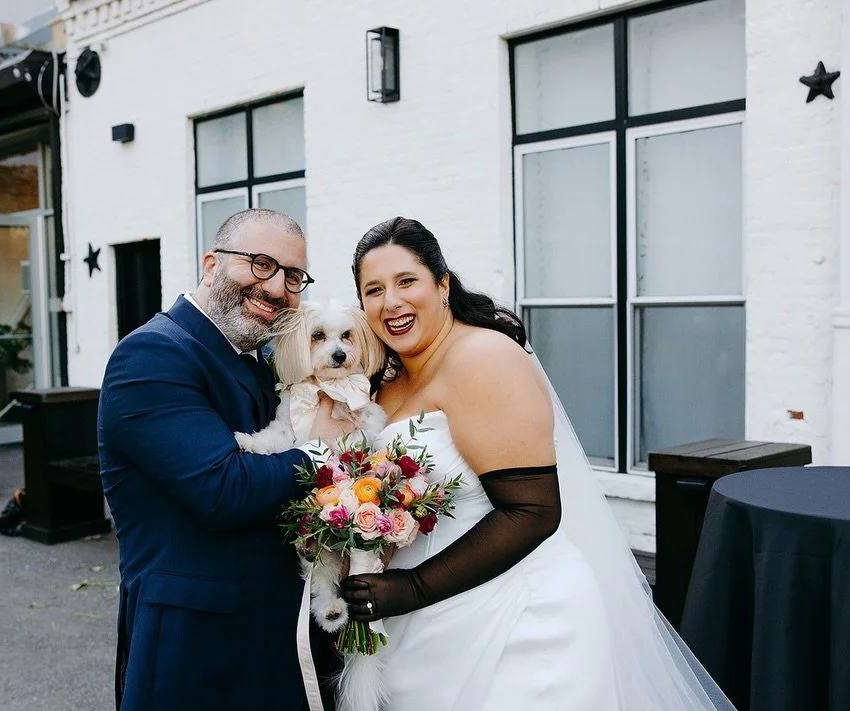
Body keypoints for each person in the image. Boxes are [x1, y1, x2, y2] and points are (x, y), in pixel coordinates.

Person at [339, 217, 735, 710]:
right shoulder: (387, 378)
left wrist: (410, 588)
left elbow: (534, 510)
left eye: (406, 281)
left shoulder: (484, 357)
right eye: (373, 290)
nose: (390, 302)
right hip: (419, 620)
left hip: (519, 625)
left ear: (442, 285)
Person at [98, 208, 352, 710]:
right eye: (260, 264)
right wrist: (323, 450)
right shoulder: (153, 355)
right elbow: (222, 488)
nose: (277, 287)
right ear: (212, 264)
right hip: (194, 648)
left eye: (293, 276)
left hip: (271, 636)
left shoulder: (257, 357)